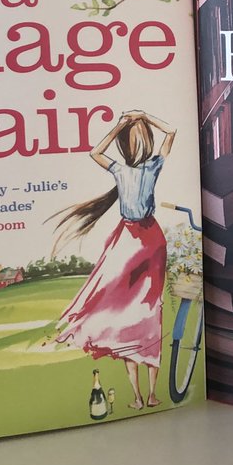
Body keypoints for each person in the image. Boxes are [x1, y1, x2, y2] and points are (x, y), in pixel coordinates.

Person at [49, 110, 176, 409]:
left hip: (137, 238)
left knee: (134, 309)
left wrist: (122, 125)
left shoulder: (126, 169)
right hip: (146, 237)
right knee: (147, 309)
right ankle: (147, 395)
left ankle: (141, 397)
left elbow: (95, 152)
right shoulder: (150, 166)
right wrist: (144, 118)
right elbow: (171, 131)